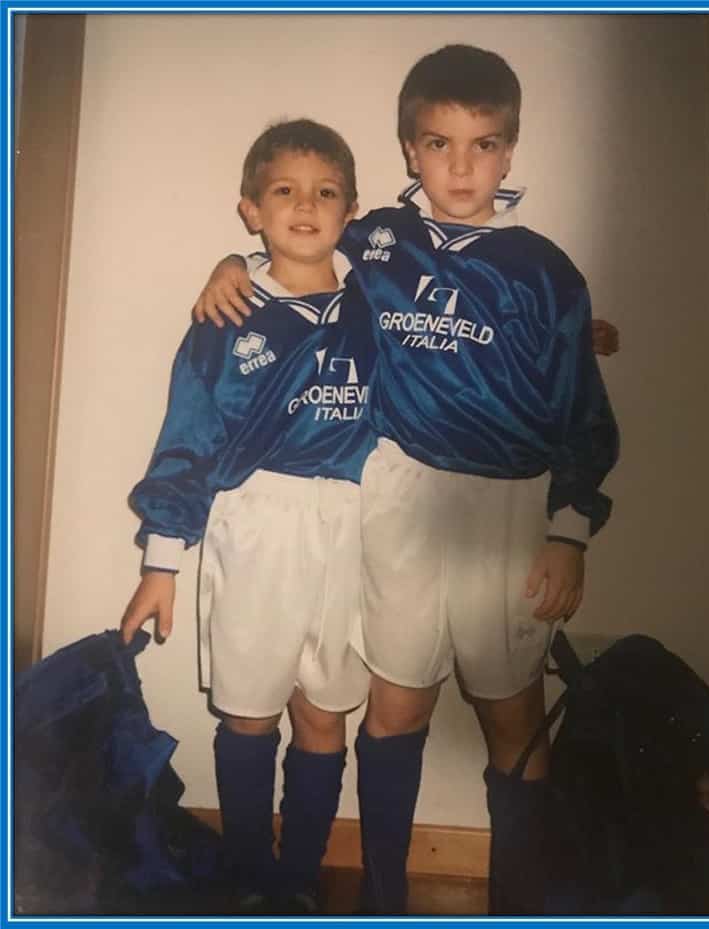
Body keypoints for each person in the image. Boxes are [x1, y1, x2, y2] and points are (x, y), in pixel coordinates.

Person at [189, 44, 619, 916]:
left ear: (509, 149)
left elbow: (583, 409)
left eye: (484, 144)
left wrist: (569, 531)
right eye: (438, 143)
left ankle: (520, 897)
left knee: (511, 710)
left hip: (506, 507)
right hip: (397, 495)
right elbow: (290, 228)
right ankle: (385, 892)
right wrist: (230, 267)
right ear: (408, 148)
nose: (461, 166)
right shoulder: (376, 234)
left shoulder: (544, 268)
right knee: (394, 702)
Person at [119, 119, 376, 914]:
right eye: (284, 191)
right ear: (249, 210)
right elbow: (187, 436)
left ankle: (298, 873)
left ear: (352, 210)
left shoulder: (375, 306)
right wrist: (161, 563)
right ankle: (245, 871)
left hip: (354, 520)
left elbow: (457, 359)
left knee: (324, 710)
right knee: (249, 708)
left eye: (326, 192)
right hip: (255, 520)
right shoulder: (226, 315)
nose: (306, 205)